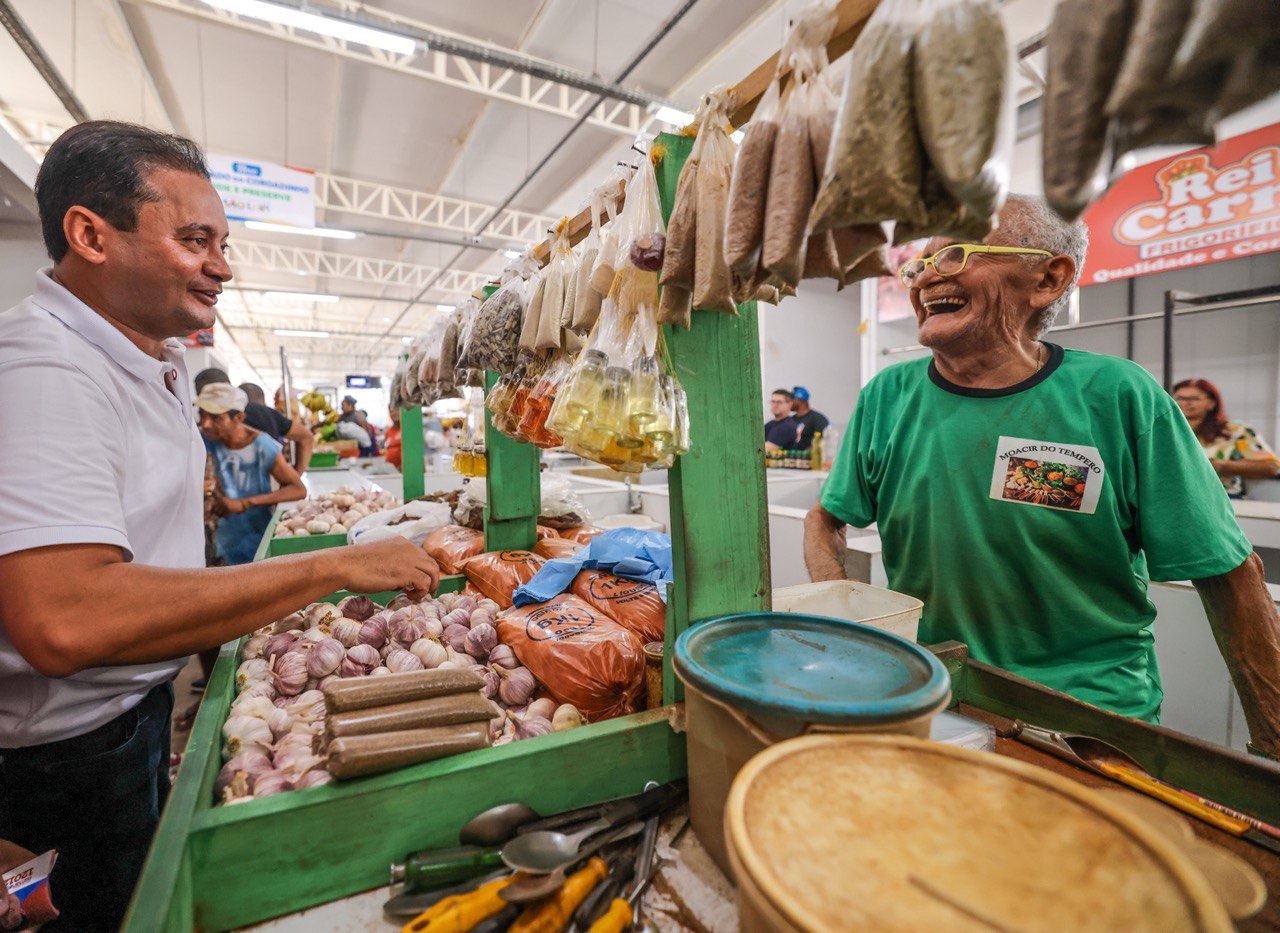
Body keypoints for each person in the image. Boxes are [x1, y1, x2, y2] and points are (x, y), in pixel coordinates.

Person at [0, 120, 440, 932]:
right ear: (90, 234)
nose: (222, 266)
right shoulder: (46, 371)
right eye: (196, 239)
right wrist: (330, 569)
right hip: (59, 767)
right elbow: (62, 618)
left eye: (223, 241)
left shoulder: (149, 362)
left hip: (123, 728)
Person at [804, 194, 1280, 761]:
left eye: (955, 255)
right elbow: (825, 519)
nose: (928, 274)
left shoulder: (1117, 396)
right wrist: (846, 619)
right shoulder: (888, 395)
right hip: (934, 700)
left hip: (1088, 716)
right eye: (920, 262)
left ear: (1048, 279)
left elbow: (1228, 573)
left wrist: (1273, 742)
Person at [192, 368, 314, 474]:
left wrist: (295, 476)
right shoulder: (264, 412)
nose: (207, 423)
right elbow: (305, 437)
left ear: (239, 418)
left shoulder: (261, 438)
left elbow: (305, 437)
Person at [1173, 378, 1280, 499]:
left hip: (1221, 499)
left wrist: (1222, 465)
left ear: (1212, 403)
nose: (1185, 403)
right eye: (1179, 398)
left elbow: (1271, 467)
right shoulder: (1166, 431)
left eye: (1194, 399)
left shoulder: (1234, 432)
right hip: (1174, 499)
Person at [790, 386, 829, 451]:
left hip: (808, 459)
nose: (789, 402)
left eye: (792, 399)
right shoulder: (791, 419)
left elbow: (822, 442)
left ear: (800, 400)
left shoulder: (818, 419)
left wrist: (805, 454)